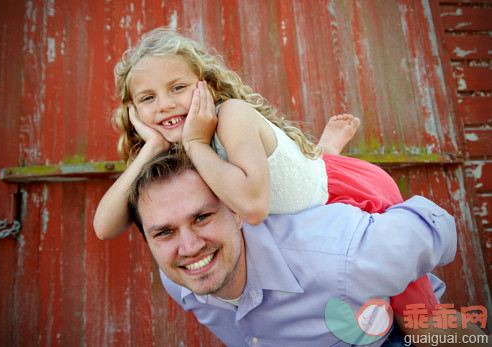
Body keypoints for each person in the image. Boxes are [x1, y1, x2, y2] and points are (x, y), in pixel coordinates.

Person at [93, 27, 432, 324]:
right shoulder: (171, 150)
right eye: (148, 98)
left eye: (178, 88)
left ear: (205, 85)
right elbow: (104, 227)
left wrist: (196, 142)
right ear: (133, 111)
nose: (165, 104)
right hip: (292, 201)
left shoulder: (231, 116)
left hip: (346, 191)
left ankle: (324, 156)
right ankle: (319, 152)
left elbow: (253, 208)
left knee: (416, 315)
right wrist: (151, 146)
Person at [127, 145, 460, 346]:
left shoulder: (339, 256)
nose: (188, 247)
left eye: (202, 218)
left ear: (238, 213)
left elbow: (437, 226)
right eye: (164, 233)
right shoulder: (178, 280)